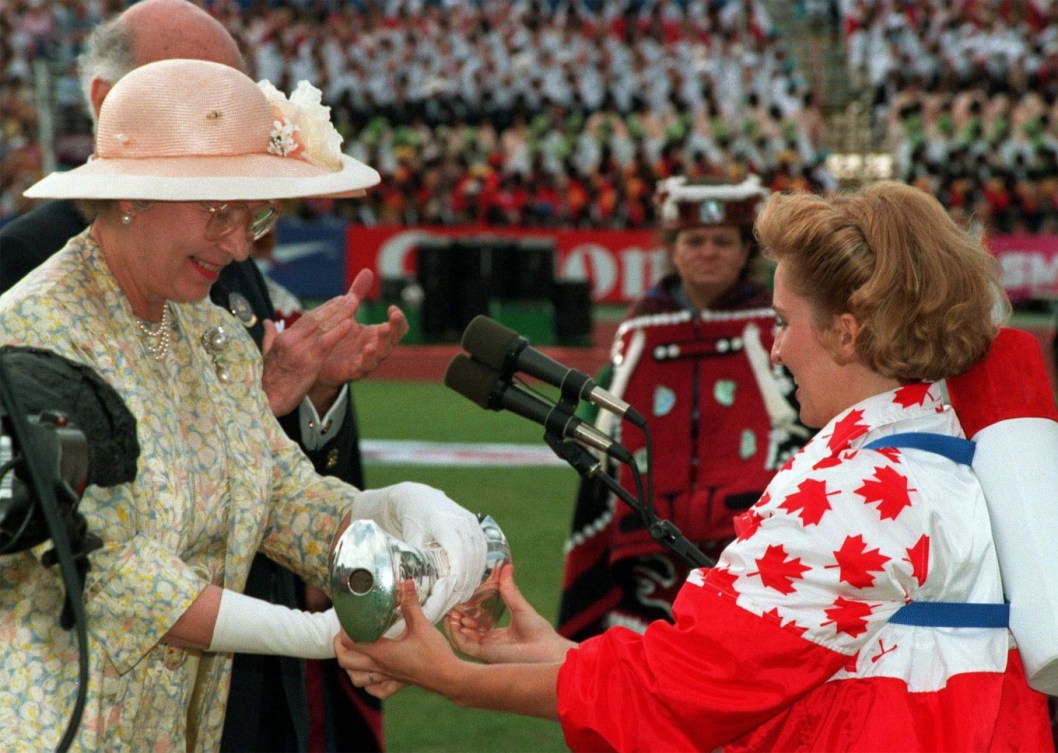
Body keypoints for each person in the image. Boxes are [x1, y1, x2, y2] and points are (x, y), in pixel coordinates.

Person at [336, 181, 1056, 751]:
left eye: (782, 322)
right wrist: (544, 654)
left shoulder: (865, 492)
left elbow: (683, 688)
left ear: (847, 330)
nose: (774, 349)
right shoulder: (925, 451)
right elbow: (750, 660)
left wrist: (451, 677)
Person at [0, 58, 489, 752]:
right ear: (132, 195)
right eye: (218, 212)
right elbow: (114, 575)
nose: (238, 245)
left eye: (252, 214)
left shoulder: (211, 334)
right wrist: (322, 634)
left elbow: (281, 495)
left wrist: (398, 513)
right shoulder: (29, 335)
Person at [558, 174, 808, 640]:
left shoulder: (777, 323)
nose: (708, 251)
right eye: (694, 240)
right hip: (646, 547)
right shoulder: (641, 328)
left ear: (744, 251)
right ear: (673, 248)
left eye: (722, 241)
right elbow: (604, 424)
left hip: (748, 541)